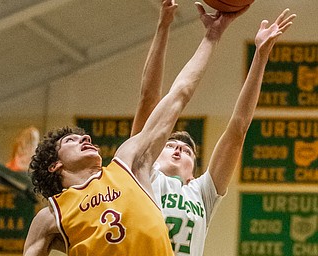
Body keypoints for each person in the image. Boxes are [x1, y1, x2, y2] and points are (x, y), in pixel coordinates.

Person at [22, 0, 244, 255]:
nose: (85, 140)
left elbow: (179, 94)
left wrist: (212, 36)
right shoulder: (50, 216)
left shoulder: (127, 165)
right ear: (55, 165)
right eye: (71, 141)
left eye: (83, 137)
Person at [131, 2, 296, 255]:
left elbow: (238, 129)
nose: (178, 151)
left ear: (194, 169)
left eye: (187, 151)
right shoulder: (143, 173)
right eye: (171, 146)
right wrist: (163, 25)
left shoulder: (202, 193)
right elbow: (148, 99)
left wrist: (261, 56)